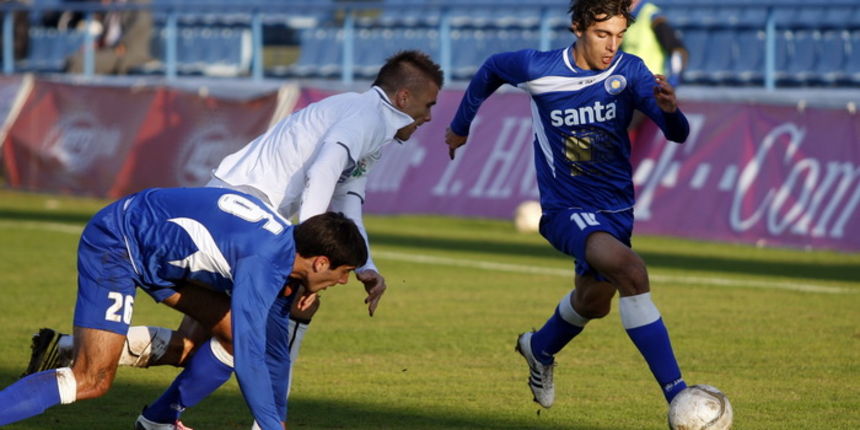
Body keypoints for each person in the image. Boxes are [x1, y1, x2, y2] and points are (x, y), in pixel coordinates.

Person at [25, 49, 443, 429]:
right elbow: (324, 170)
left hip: (251, 209)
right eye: (429, 105)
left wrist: (365, 264)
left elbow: (348, 194)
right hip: (247, 211)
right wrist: (311, 250)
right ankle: (259, 423)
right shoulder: (368, 118)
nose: (429, 117)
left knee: (203, 342)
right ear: (403, 98)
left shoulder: (370, 122)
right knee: (268, 330)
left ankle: (127, 394)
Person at [445, 0, 690, 412]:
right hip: (564, 209)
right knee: (632, 271)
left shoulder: (630, 72)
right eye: (601, 34)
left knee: (594, 302)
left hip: (615, 210)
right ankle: (679, 395)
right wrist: (459, 126)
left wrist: (670, 110)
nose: (611, 45)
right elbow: (491, 69)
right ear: (577, 27)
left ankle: (538, 348)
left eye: (618, 36)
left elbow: (677, 134)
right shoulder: (538, 68)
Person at [0, 187, 368, 430]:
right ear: (320, 262)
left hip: (161, 256)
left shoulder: (284, 252)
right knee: (91, 379)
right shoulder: (262, 263)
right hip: (117, 244)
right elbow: (255, 358)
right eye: (345, 272)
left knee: (230, 337)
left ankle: (156, 422)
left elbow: (272, 348)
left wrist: (277, 421)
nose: (343, 282)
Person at [65, 0, 153, 75]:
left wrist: (120, 47)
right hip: (112, 50)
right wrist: (97, 44)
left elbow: (138, 28)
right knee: (71, 59)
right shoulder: (114, 4)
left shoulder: (139, 2)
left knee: (78, 63)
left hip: (127, 54)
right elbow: (110, 34)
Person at [622, 0, 687, 87]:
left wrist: (674, 78)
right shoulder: (622, 18)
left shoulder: (653, 16)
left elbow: (677, 50)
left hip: (651, 86)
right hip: (628, 85)